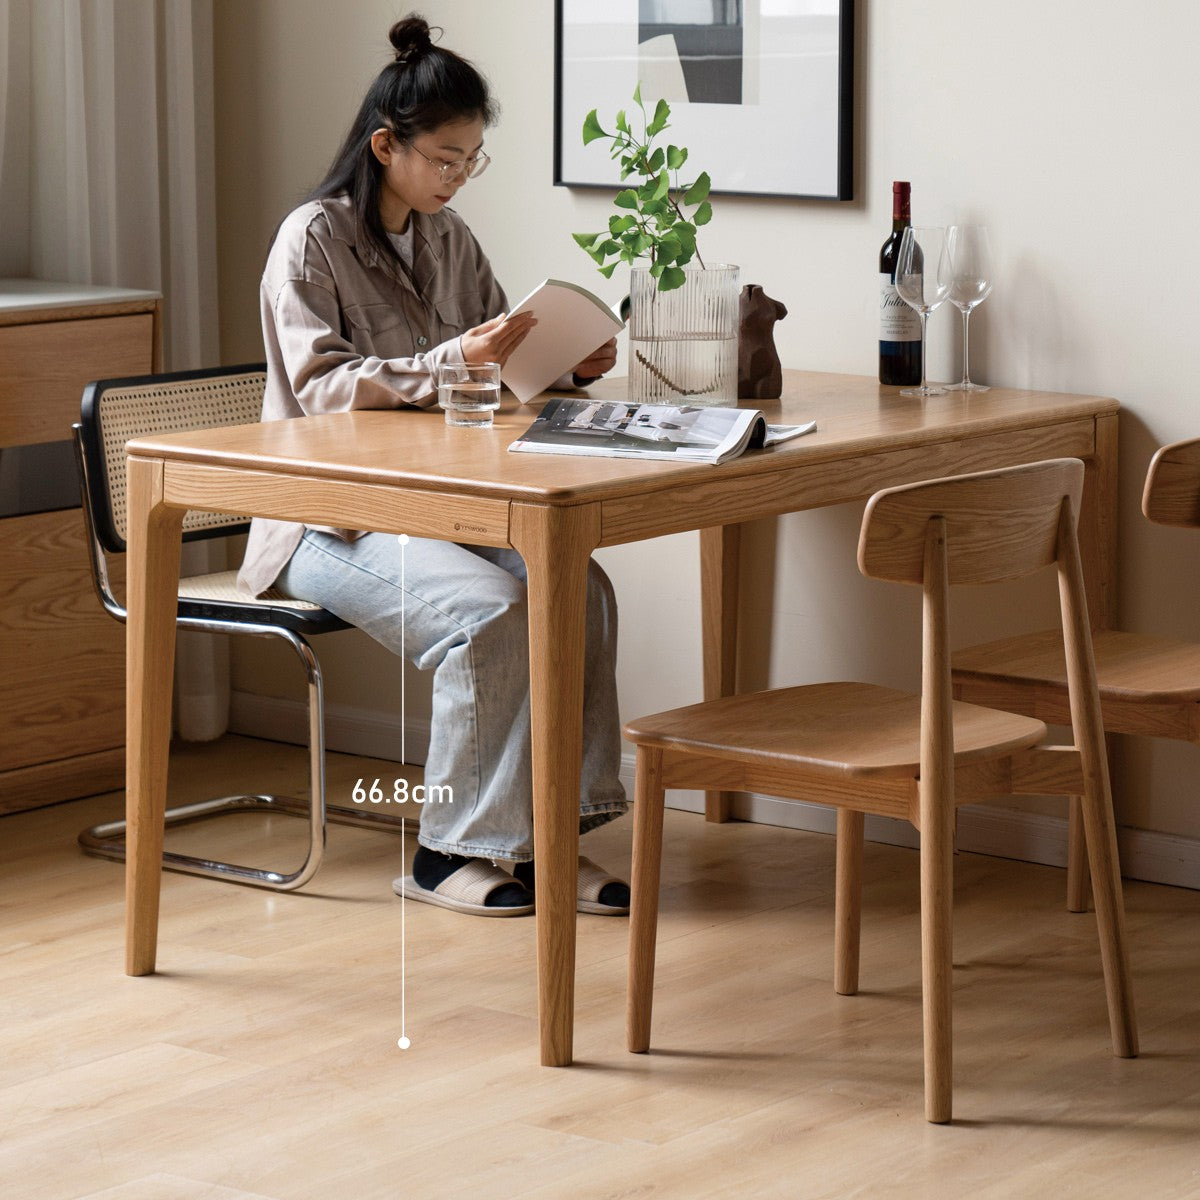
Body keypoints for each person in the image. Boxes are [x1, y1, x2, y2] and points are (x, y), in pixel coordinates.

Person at [237, 14, 627, 917]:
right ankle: (449, 852)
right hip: (325, 517)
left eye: (471, 160)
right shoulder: (312, 239)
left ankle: (552, 841)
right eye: (446, 159)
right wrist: (460, 362)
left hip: (440, 503)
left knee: (581, 587)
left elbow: (498, 363)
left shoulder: (450, 240)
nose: (458, 178)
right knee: (491, 613)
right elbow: (325, 387)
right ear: (387, 145)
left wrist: (562, 366)